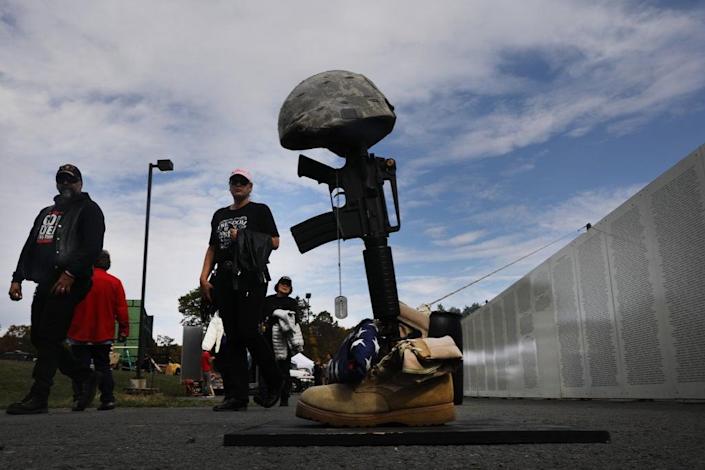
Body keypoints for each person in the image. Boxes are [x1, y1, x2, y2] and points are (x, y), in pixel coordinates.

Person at [7, 164, 105, 415]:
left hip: (72, 279)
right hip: (46, 279)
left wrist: (71, 272)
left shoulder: (89, 209)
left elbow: (92, 246)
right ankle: (84, 376)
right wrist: (17, 277)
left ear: (80, 183)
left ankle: (39, 395)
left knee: (50, 335)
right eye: (61, 180)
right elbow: (30, 245)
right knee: (39, 337)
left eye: (70, 180)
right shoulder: (46, 213)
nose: (65, 184)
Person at [199, 168, 283, 411]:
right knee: (232, 336)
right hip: (224, 276)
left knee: (248, 330)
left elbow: (275, 242)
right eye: (234, 181)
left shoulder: (260, 210)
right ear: (229, 186)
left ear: (250, 187)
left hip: (250, 276)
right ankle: (237, 396)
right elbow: (213, 247)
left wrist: (244, 236)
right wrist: (204, 277)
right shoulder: (219, 215)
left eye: (242, 182)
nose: (238, 185)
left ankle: (275, 380)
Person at [67, 250, 129, 411]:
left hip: (79, 331)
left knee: (80, 366)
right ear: (107, 263)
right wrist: (123, 329)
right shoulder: (115, 282)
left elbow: (68, 303)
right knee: (103, 366)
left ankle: (79, 397)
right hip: (103, 332)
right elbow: (121, 309)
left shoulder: (78, 279)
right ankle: (107, 399)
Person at [261, 276, 302, 406]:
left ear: (290, 288)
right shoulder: (268, 300)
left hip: (284, 338)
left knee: (284, 368)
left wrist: (277, 314)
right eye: (282, 284)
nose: (285, 286)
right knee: (267, 365)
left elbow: (295, 318)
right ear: (278, 285)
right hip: (268, 336)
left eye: (288, 285)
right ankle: (266, 396)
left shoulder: (292, 301)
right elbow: (263, 314)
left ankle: (284, 397)